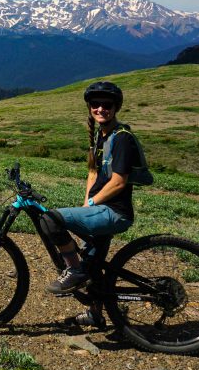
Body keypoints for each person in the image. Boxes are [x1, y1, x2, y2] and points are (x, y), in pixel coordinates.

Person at [39, 80, 139, 325]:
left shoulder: (122, 138)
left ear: (116, 107)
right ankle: (96, 313)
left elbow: (118, 182)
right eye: (96, 104)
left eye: (107, 105)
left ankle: (74, 270)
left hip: (114, 211)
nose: (101, 109)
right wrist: (86, 206)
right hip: (101, 209)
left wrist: (92, 204)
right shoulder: (100, 136)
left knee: (49, 219)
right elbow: (93, 173)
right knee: (93, 260)